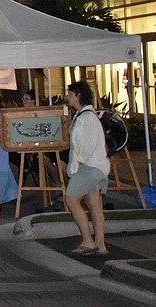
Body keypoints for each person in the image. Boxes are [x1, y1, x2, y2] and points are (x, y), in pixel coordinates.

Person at [64, 81, 110, 256]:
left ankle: (88, 241)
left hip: (89, 167)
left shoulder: (87, 118)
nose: (68, 97)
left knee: (71, 200)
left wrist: (79, 164)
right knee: (94, 204)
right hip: (95, 167)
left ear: (78, 96)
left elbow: (86, 146)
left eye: (70, 94)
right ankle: (100, 244)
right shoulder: (85, 116)